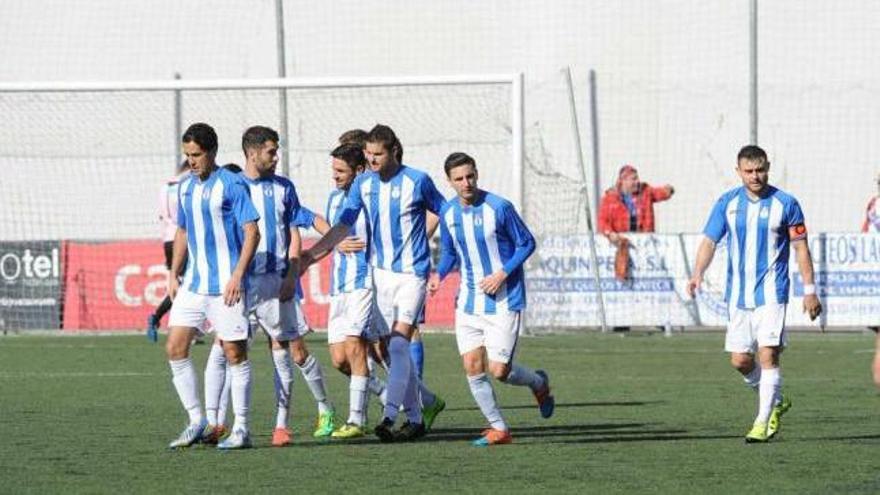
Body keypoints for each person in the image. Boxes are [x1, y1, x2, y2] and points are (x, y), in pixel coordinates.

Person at [301, 124, 445, 443]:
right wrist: (313, 255)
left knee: (389, 345)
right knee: (365, 354)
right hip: (363, 280)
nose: (371, 159)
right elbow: (343, 226)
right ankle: (422, 405)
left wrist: (437, 255)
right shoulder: (359, 189)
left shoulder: (413, 181)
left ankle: (374, 416)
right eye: (368, 153)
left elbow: (443, 213)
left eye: (374, 154)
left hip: (391, 277)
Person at [203, 126, 336, 447]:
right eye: (271, 152)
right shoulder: (228, 187)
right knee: (224, 348)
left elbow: (296, 224)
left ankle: (294, 419)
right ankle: (216, 423)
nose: (276, 158)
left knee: (290, 351)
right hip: (237, 285)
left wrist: (295, 271)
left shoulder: (283, 188)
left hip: (274, 283)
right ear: (252, 153)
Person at [686, 145, 822, 443]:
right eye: (748, 171)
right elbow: (710, 241)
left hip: (774, 292)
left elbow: (801, 248)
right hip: (738, 295)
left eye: (759, 170)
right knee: (740, 361)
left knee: (768, 353)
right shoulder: (727, 203)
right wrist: (697, 274)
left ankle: (762, 422)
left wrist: (809, 291)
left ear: (767, 167)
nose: (755, 176)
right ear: (738, 172)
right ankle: (775, 399)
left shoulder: (786, 203)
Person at [428, 152, 554, 446]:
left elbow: (527, 243)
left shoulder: (499, 207)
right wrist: (439, 275)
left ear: (477, 174)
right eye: (459, 178)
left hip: (504, 300)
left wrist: (502, 273)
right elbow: (448, 252)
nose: (466, 182)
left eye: (470, 176)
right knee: (472, 366)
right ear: (449, 181)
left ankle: (538, 383)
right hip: (469, 303)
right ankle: (499, 428)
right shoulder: (448, 213)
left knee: (499, 371)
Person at [165, 122, 260, 450]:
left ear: (213, 152)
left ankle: (242, 428)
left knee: (235, 353)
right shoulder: (184, 187)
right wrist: (172, 272)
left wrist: (236, 275)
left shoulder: (233, 184)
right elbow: (182, 232)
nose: (191, 161)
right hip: (194, 284)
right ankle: (197, 420)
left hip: (226, 287)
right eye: (187, 155)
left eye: (197, 155)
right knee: (175, 348)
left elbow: (252, 232)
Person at [320, 143, 379, 439]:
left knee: (357, 346)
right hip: (339, 287)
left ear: (359, 171)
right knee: (339, 360)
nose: (335, 176)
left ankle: (357, 419)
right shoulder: (333, 199)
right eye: (333, 170)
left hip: (364, 282)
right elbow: (332, 234)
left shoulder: (371, 199)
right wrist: (335, 242)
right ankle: (392, 395)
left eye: (341, 171)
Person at [598, 165, 674, 281]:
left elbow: (660, 193)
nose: (637, 182)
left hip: (643, 244)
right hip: (621, 244)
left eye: (637, 178)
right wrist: (610, 234)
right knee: (622, 276)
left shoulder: (645, 192)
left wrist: (668, 190)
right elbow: (602, 221)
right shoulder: (609, 199)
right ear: (623, 181)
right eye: (633, 179)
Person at [146, 161, 190, 342]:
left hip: (168, 240)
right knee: (188, 285)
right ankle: (163, 319)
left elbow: (163, 215)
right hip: (184, 238)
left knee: (179, 283)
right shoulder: (189, 183)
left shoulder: (166, 186)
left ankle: (161, 319)